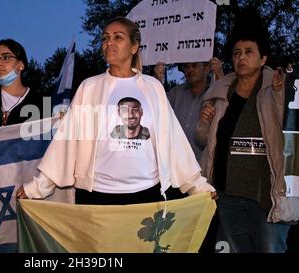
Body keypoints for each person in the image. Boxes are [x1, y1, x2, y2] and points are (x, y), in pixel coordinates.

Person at [17, 16, 215, 205]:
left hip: (147, 193)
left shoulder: (153, 87)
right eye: (105, 38)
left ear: (134, 46)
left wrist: (197, 185)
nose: (109, 42)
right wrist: (38, 186)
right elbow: (67, 140)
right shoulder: (89, 87)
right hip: (97, 195)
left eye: (118, 37)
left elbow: (173, 140)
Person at [195, 11, 296, 252]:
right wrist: (204, 123)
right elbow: (202, 142)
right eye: (237, 53)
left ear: (263, 59)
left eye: (249, 52)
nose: (241, 58)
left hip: (268, 197)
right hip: (227, 196)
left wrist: (283, 93)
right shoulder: (219, 92)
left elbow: (291, 130)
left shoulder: (280, 87)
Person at [167, 59, 224, 161]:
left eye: (194, 66)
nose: (190, 70)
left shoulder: (217, 92)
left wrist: (220, 76)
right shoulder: (175, 93)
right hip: (176, 165)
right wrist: (158, 79)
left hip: (205, 166)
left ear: (207, 68)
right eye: (186, 67)